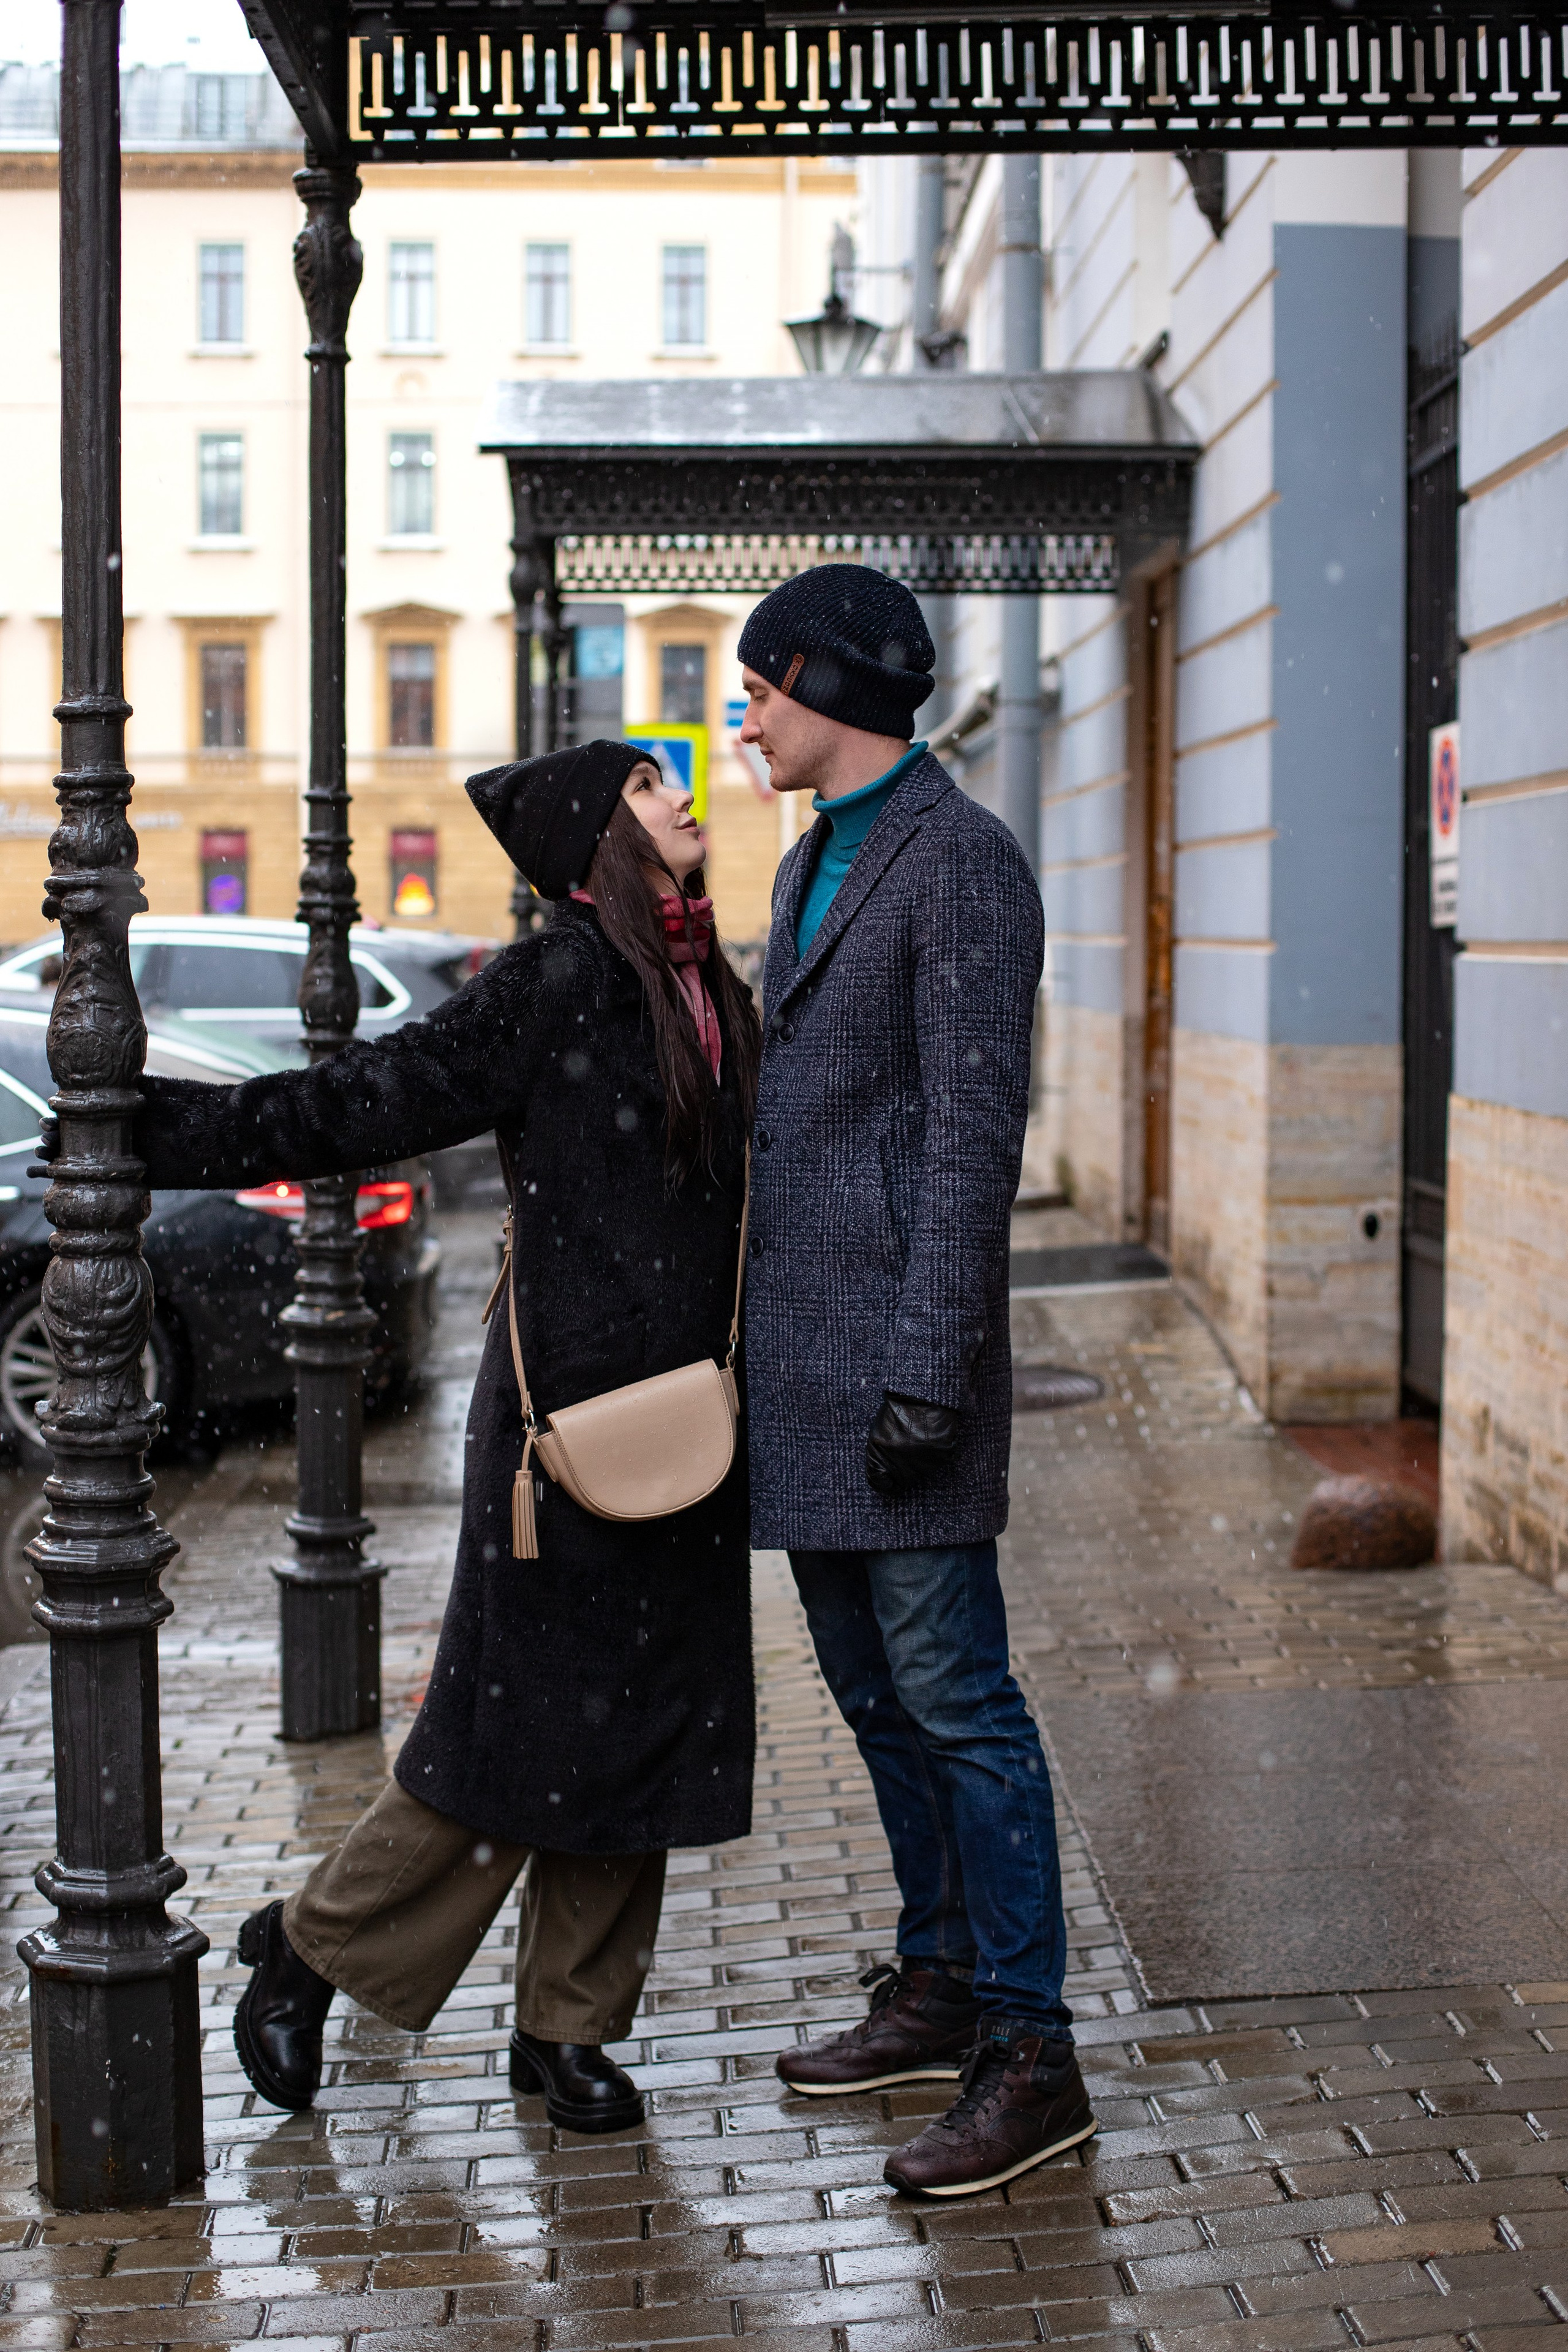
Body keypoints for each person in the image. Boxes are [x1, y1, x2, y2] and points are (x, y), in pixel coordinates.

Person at [125, 744, 760, 2132]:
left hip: (694, 1425)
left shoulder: (703, 978)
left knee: (635, 1733)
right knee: (509, 1738)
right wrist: (151, 1123)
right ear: (601, 834)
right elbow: (358, 1105)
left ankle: (568, 2030)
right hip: (560, 1434)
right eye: (654, 788)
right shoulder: (550, 982)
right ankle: (307, 1953)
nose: (684, 798)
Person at [736, 566, 1095, 2199]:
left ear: (832, 687)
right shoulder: (812, 856)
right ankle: (939, 1977)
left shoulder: (961, 863)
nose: (746, 713)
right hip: (801, 1373)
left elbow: (969, 1136)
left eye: (762, 684)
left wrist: (932, 1366)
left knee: (963, 1705)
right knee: (880, 1704)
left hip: (898, 1374)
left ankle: (1033, 2050)